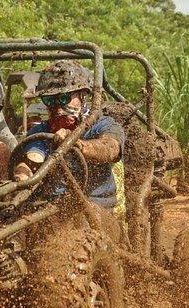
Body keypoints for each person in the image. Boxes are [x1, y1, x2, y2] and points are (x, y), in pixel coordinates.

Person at [14, 60, 125, 209]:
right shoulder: (40, 131)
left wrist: (76, 143)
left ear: (83, 96)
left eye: (63, 98)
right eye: (49, 100)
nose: (57, 107)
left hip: (97, 205)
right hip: (51, 206)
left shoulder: (103, 125)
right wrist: (22, 175)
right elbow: (32, 158)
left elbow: (110, 149)